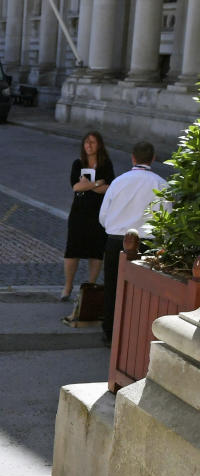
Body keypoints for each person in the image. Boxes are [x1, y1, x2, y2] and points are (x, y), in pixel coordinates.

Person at [99, 142, 169, 345]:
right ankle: (137, 333)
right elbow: (167, 219)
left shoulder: (119, 182)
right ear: (153, 158)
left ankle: (110, 332)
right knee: (143, 291)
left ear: (133, 158)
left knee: (112, 286)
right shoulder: (160, 184)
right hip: (146, 243)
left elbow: (104, 216)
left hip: (116, 240)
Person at [62, 131, 115, 301]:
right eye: (86, 142)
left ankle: (89, 287)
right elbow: (76, 187)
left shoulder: (106, 165)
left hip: (98, 213)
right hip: (79, 212)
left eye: (92, 142)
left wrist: (88, 185)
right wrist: (97, 183)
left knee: (96, 251)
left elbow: (110, 188)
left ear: (99, 145)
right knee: (72, 250)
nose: (89, 145)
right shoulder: (78, 164)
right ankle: (68, 286)